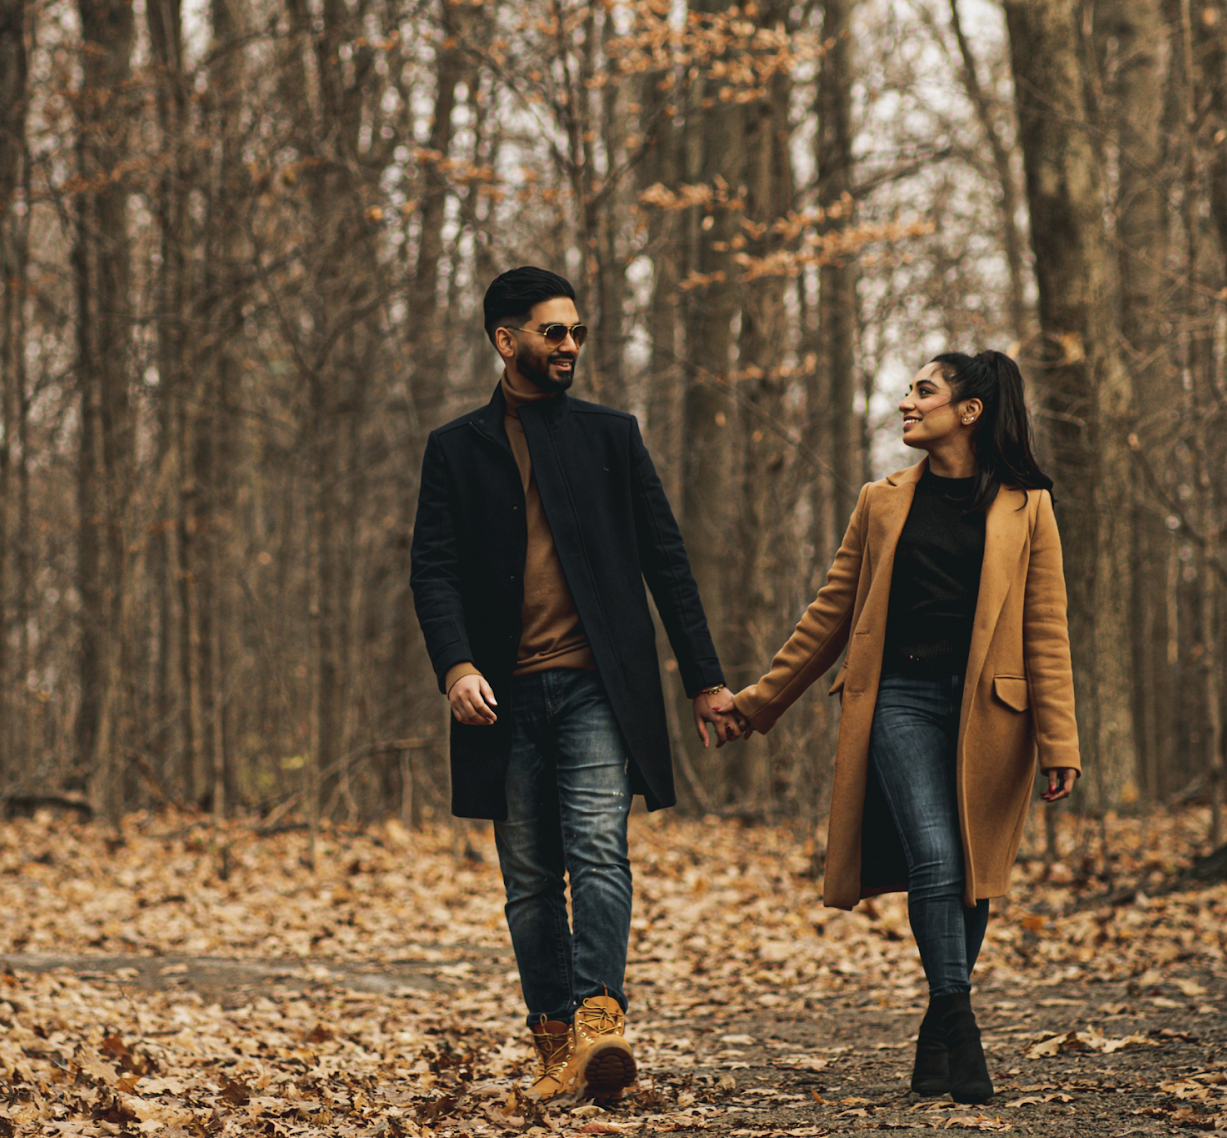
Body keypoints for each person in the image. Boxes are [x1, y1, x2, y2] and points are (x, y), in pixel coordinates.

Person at [709, 350, 1081, 1105]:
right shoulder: (881, 501)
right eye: (910, 390)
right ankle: (961, 1021)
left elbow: (1046, 628)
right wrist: (758, 701)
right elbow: (830, 614)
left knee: (973, 876)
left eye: (924, 391)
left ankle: (935, 1030)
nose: (907, 402)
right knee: (938, 859)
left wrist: (1061, 738)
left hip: (994, 714)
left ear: (968, 411)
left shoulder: (1026, 505)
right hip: (900, 699)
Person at [410, 267, 739, 1102]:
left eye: (577, 333)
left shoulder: (610, 435)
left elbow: (666, 561)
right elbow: (433, 572)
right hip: (501, 695)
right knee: (527, 876)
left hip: (598, 686)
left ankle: (601, 1019)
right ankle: (555, 1045)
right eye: (554, 332)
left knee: (598, 847)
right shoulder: (456, 448)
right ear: (505, 339)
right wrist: (456, 666)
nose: (569, 347)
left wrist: (705, 679)